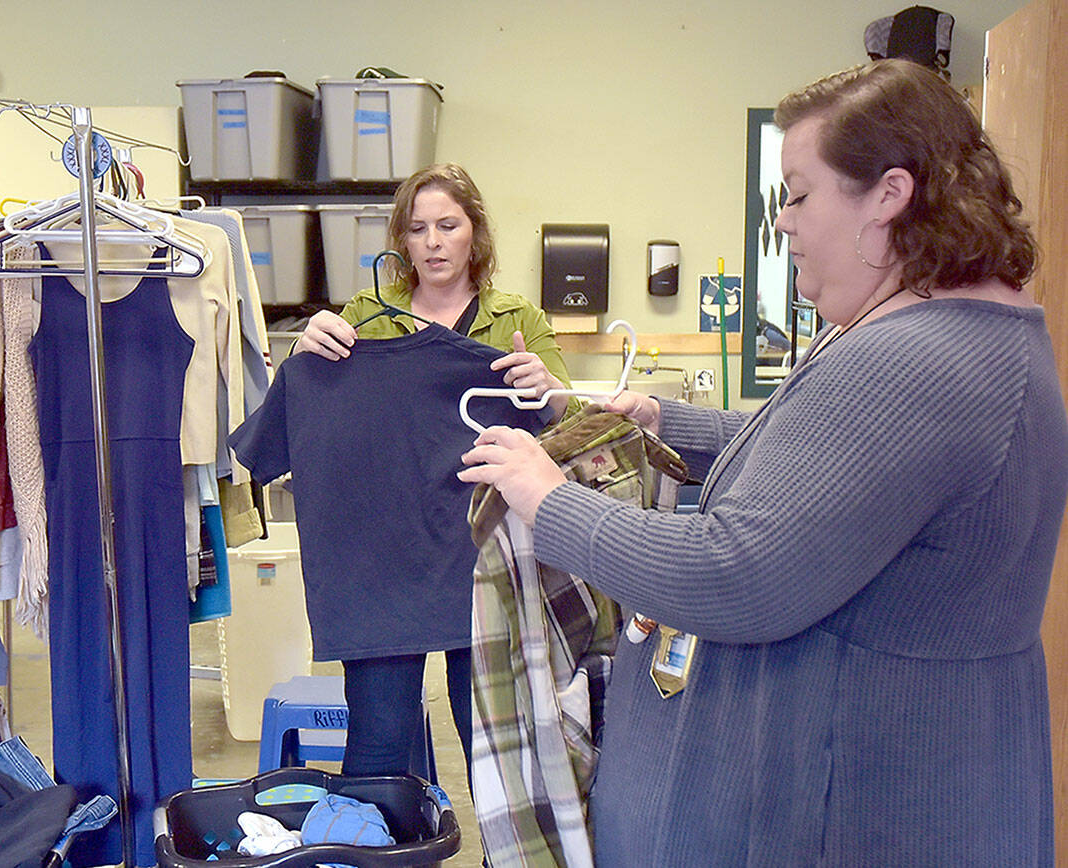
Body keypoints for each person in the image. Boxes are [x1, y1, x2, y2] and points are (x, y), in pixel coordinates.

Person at [458, 58, 1068, 864]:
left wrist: (550, 502)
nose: (783, 221)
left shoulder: (913, 360)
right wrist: (668, 423)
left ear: (888, 195)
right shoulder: (962, 332)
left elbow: (733, 572)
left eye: (800, 194)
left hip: (864, 803)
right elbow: (833, 471)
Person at [288, 162, 574, 777]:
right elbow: (314, 401)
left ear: (476, 234)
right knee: (379, 747)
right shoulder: (368, 314)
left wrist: (546, 387)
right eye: (418, 229)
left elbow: (570, 425)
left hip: (486, 549)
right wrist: (305, 347)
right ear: (403, 240)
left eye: (448, 225)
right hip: (385, 556)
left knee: (495, 750)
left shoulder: (516, 318)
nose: (434, 242)